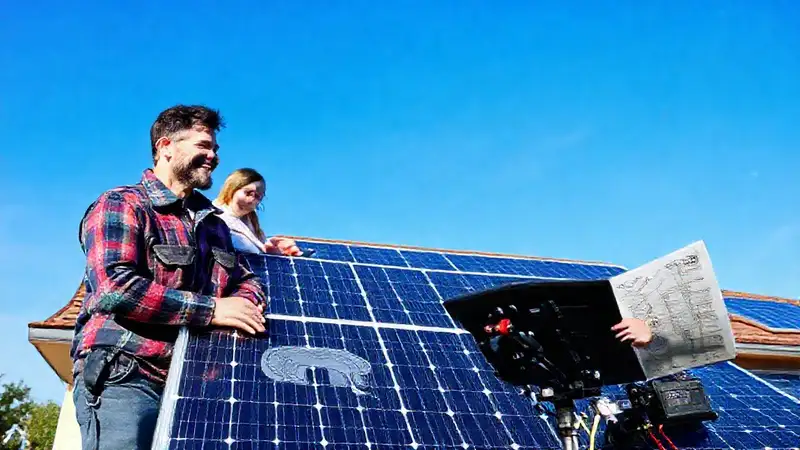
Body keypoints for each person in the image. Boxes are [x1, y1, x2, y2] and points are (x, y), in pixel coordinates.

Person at [71, 105, 268, 450]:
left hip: (196, 382)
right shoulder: (122, 204)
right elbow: (114, 289)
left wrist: (244, 304)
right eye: (203, 146)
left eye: (216, 149)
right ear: (166, 147)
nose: (213, 156)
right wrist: (213, 310)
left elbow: (246, 280)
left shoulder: (215, 225)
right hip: (128, 374)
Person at [212, 168, 302, 256]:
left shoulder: (253, 228)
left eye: (258, 196)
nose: (253, 199)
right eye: (248, 193)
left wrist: (272, 249)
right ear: (232, 188)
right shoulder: (212, 218)